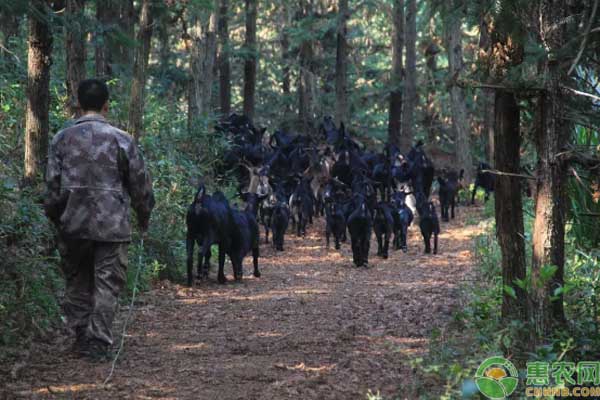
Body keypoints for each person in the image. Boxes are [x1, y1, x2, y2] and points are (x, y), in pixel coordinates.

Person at [44, 79, 155, 361]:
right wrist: (144, 215)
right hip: (112, 226)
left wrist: (56, 218)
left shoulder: (61, 139)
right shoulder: (122, 139)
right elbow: (140, 184)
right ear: (107, 105)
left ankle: (82, 336)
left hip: (73, 224)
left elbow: (52, 187)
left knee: (77, 282)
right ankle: (98, 343)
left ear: (78, 104)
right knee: (107, 285)